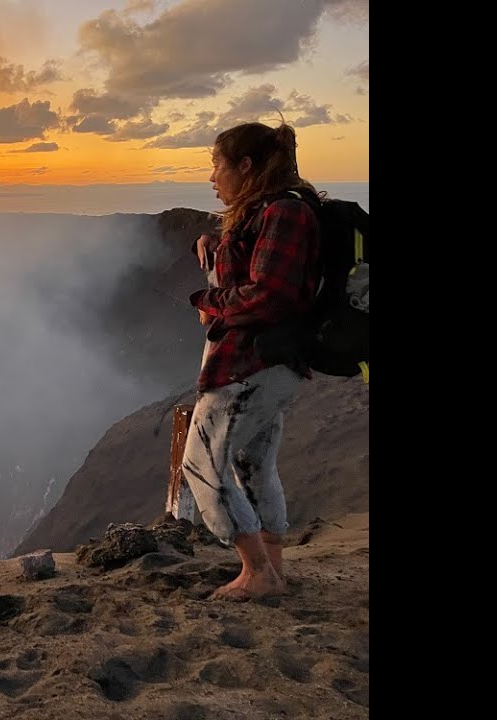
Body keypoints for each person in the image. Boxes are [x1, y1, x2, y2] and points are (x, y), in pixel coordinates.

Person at [182, 121, 323, 601]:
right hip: (268, 365)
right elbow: (260, 272)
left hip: (251, 365)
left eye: (217, 166)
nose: (212, 178)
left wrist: (210, 300)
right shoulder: (276, 209)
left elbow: (270, 294)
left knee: (202, 465)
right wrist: (216, 250)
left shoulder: (284, 212)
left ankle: (257, 570)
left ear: (245, 166)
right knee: (252, 462)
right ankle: (273, 571)